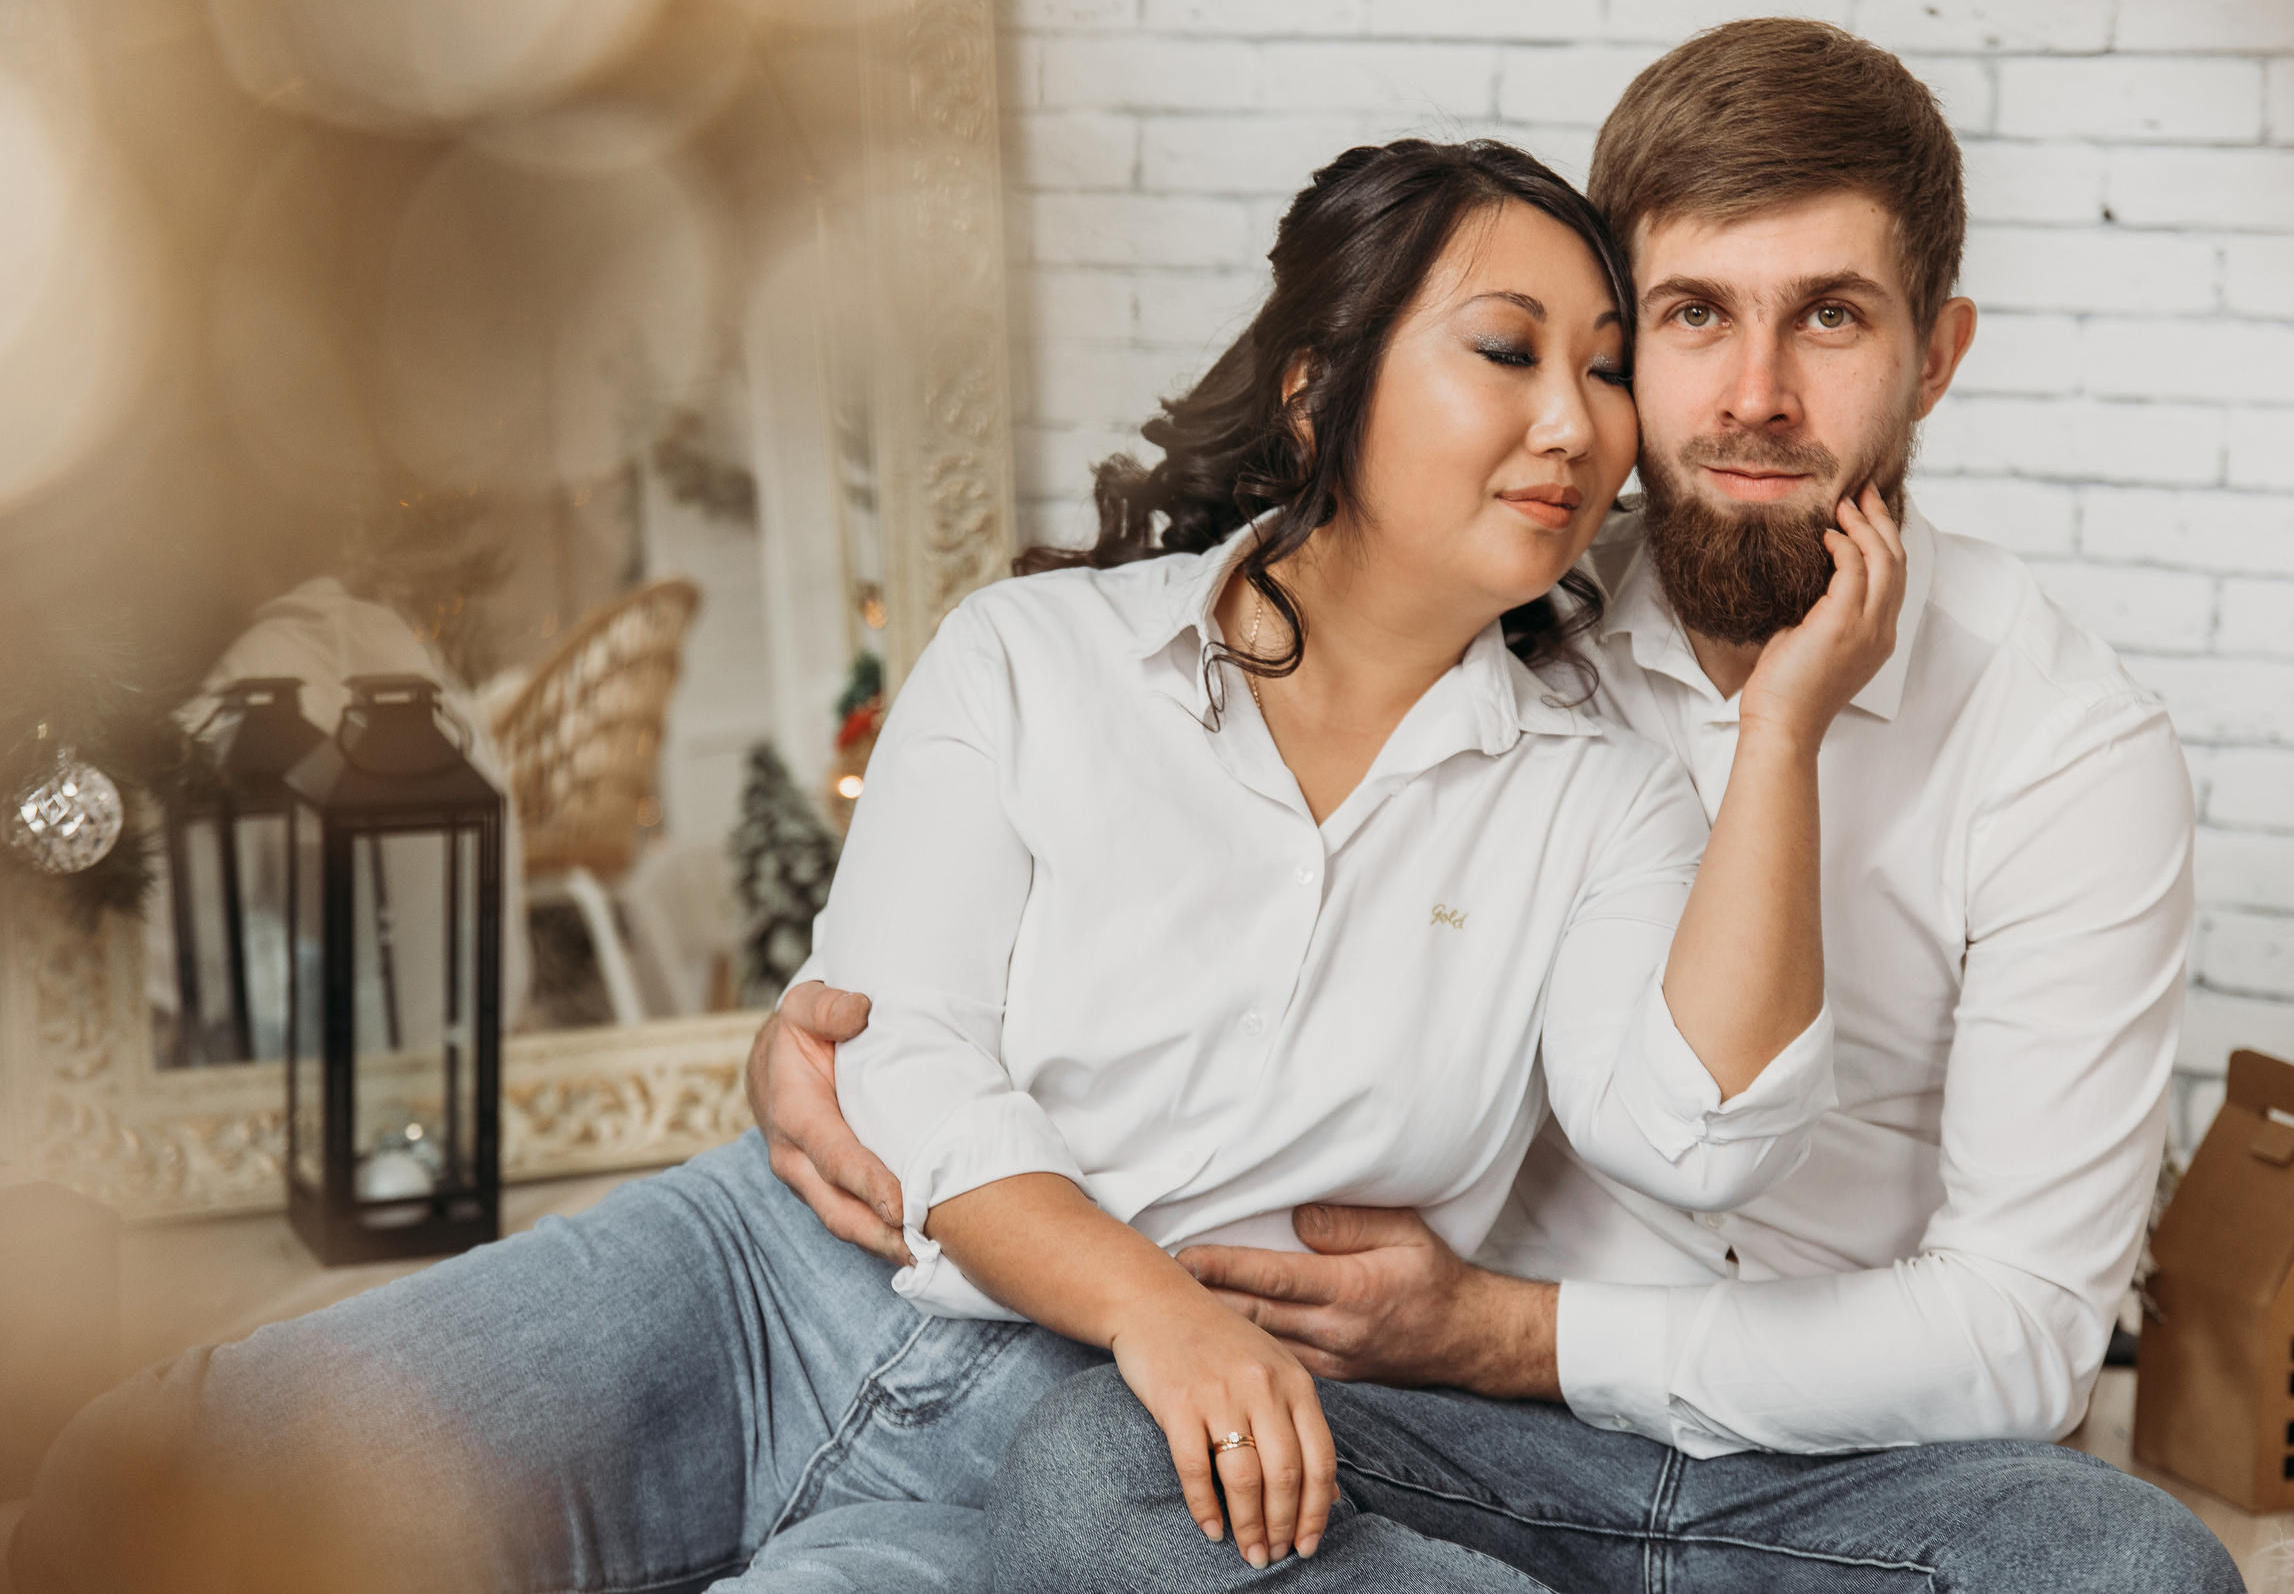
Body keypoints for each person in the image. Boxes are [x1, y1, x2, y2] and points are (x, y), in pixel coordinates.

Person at [12, 137, 1896, 1594]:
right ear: (1323, 391)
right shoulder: (1042, 657)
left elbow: (1699, 1134)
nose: (1577, 424)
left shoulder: (1609, 795)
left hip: (1083, 1460)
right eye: (1506, 354)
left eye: (1604, 370)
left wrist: (1786, 731)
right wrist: (1151, 1300)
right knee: (149, 1489)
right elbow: (898, 1054)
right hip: (762, 1289)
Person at [758, 20, 2245, 1590]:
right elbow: (1178, 790)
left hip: (1824, 1472)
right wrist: (841, 1020)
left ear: (1934, 356)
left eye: (1829, 318)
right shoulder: (1506, 598)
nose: (1756, 394)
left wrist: (1511, 1335)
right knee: (1104, 1469)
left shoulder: (2066, 745)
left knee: (2143, 1568)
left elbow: (2023, 1339)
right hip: (1428, 1439)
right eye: (1691, 317)